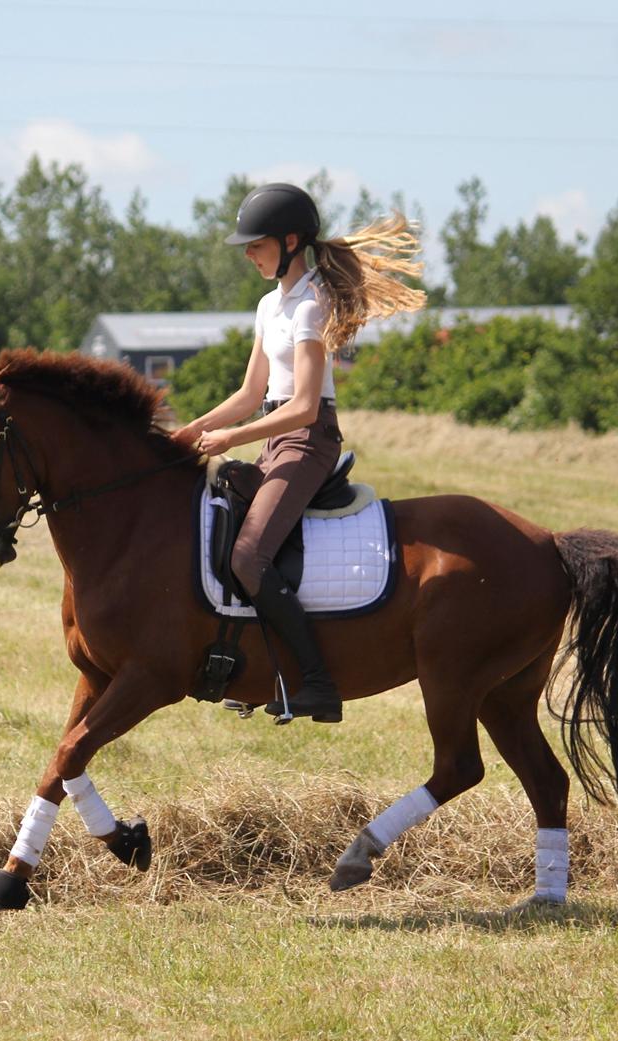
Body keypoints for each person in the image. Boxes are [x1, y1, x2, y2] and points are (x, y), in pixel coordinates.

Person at [173, 182, 425, 722]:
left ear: (291, 242)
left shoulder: (313, 304)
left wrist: (227, 440)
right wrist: (190, 430)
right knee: (225, 531)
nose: (248, 253)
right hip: (274, 438)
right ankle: (249, 664)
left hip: (308, 442)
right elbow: (249, 394)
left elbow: (306, 406)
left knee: (247, 556)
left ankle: (315, 682)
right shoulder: (269, 306)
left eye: (256, 243)